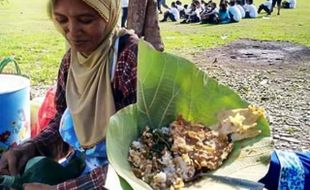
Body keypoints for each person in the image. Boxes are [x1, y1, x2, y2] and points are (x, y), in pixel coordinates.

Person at [0, 0, 139, 189]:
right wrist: (31, 148)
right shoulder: (71, 61)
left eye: (86, 20)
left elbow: (139, 158)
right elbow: (64, 119)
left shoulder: (130, 60)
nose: (72, 32)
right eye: (62, 20)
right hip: (82, 168)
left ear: (109, 14)